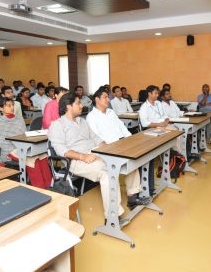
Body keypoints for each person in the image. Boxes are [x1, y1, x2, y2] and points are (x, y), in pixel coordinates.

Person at [48, 93, 146, 223]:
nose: (82, 105)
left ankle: (133, 197)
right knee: (107, 172)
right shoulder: (57, 125)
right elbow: (61, 150)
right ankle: (112, 217)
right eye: (78, 103)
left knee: (126, 160)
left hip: (94, 153)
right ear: (68, 106)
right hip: (77, 160)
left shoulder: (82, 121)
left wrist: (105, 148)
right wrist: (83, 156)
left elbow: (96, 138)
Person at [86, 87, 150, 208]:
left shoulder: (111, 113)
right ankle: (118, 206)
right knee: (130, 160)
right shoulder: (91, 117)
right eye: (105, 97)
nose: (108, 100)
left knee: (134, 161)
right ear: (97, 99)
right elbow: (98, 139)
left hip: (122, 144)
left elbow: (123, 128)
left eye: (108, 97)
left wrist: (131, 140)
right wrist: (119, 145)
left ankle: (132, 198)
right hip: (109, 149)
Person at [139, 85, 169, 196]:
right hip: (153, 130)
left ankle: (173, 160)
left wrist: (166, 120)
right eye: (155, 93)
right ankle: (173, 160)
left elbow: (165, 115)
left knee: (177, 133)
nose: (157, 95)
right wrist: (159, 124)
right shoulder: (144, 108)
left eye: (157, 93)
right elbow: (145, 124)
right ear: (149, 94)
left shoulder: (159, 104)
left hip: (163, 126)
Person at [0, 98, 26, 162]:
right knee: (33, 160)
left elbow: (24, 137)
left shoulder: (20, 119)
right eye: (9, 106)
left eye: (12, 105)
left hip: (20, 148)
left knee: (40, 156)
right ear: (1, 109)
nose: (12, 107)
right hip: (6, 152)